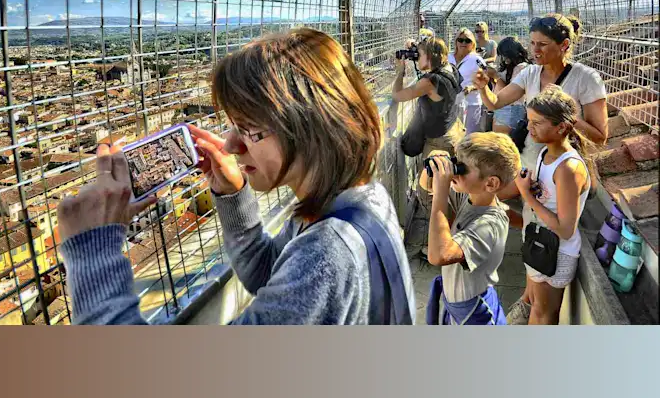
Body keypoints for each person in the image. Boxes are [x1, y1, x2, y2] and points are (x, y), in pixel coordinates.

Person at [57, 28, 416, 325]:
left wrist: (93, 251)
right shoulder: (355, 199)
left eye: (248, 129)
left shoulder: (328, 252)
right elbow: (268, 274)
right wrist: (233, 196)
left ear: (307, 127)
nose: (230, 145)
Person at [471, 13, 608, 324]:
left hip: (562, 172)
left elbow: (600, 136)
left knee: (549, 245)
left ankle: (534, 308)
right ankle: (529, 300)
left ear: (564, 46)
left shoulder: (586, 78)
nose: (534, 50)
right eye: (531, 43)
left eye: (542, 45)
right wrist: (482, 87)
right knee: (535, 244)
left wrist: (566, 119)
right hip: (536, 169)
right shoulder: (530, 74)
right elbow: (495, 102)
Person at [514, 86, 594, 325]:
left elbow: (565, 229)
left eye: (537, 122)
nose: (529, 127)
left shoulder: (568, 169)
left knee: (544, 314)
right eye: (529, 120)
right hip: (540, 243)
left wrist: (526, 196)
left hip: (556, 252)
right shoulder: (544, 154)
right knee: (535, 306)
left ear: (561, 127)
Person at [424, 132, 521, 325]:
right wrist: (436, 163)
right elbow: (425, 184)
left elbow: (438, 255)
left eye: (461, 167)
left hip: (476, 313)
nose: (454, 171)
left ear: (491, 183)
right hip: (457, 305)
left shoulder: (489, 225)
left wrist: (441, 193)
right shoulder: (470, 196)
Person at [392, 37, 465, 260]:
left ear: (430, 56)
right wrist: (417, 53)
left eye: (420, 53)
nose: (416, 57)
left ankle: (446, 242)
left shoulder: (430, 81)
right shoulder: (450, 69)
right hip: (453, 133)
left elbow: (398, 95)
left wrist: (399, 71)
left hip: (438, 143)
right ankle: (454, 232)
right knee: (450, 188)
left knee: (429, 193)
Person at [491, 36, 529, 134]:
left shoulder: (522, 68)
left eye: (505, 55)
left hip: (512, 109)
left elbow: (510, 94)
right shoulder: (507, 67)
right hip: (500, 108)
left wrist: (496, 77)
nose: (503, 59)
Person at [449, 28, 483, 134]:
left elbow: (484, 81)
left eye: (467, 41)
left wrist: (472, 88)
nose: (463, 43)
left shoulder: (477, 60)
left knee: (468, 136)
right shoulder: (448, 58)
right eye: (460, 40)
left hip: (471, 103)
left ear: (472, 43)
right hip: (451, 103)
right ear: (456, 41)